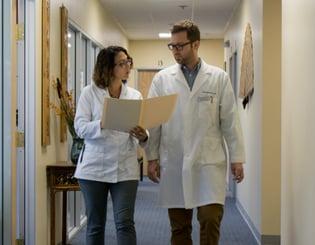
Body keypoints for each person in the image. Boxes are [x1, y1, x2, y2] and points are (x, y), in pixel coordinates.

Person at [145, 20, 246, 245]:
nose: (175, 51)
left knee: (210, 220)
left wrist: (237, 158)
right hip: (175, 160)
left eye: (180, 46)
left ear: (196, 44)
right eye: (172, 46)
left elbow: (230, 120)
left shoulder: (219, 78)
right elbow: (154, 122)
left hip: (208, 161)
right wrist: (151, 157)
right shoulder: (162, 79)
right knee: (179, 227)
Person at [74, 46, 148, 245]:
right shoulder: (89, 93)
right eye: (122, 63)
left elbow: (141, 129)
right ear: (108, 67)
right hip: (94, 168)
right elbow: (79, 128)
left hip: (125, 167)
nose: (127, 67)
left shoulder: (134, 96)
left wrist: (143, 135)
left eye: (128, 61)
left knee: (125, 223)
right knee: (96, 224)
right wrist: (103, 123)